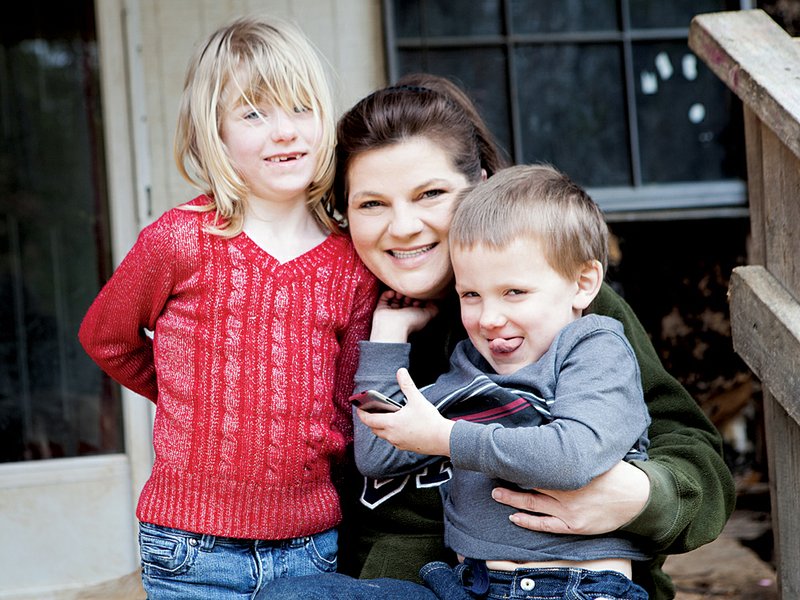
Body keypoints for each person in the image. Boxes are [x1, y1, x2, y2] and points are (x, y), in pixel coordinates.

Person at [259, 74, 735, 600]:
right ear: (344, 213)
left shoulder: (562, 309)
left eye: (431, 194)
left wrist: (641, 496)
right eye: (372, 204)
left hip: (570, 581)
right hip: (420, 582)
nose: (403, 226)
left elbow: (695, 459)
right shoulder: (334, 306)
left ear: (481, 186)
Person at [78, 15, 378, 598]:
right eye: (253, 114)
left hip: (312, 543)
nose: (284, 131)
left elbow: (346, 403)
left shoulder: (350, 262)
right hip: (191, 546)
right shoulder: (179, 240)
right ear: (212, 133)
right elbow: (106, 338)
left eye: (300, 108)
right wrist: (191, 398)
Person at [353, 163, 651, 599]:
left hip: (574, 585)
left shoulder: (593, 349)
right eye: (471, 295)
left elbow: (572, 458)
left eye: (514, 292)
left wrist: (447, 438)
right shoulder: (470, 368)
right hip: (470, 584)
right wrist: (388, 335)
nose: (489, 319)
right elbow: (379, 453)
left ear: (583, 283)